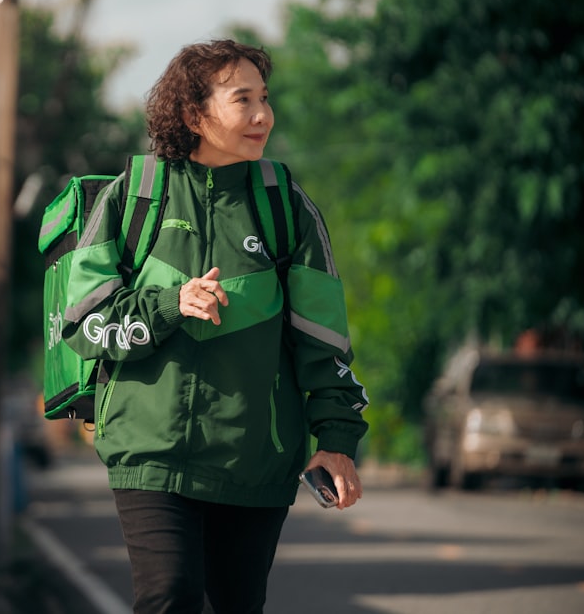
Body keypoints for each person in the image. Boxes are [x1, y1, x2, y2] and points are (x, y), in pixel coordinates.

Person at [61, 39, 370, 613]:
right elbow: (84, 325)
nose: (262, 116)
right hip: (148, 451)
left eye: (265, 98)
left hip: (255, 461)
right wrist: (168, 303)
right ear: (193, 115)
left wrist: (337, 441)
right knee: (169, 595)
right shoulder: (133, 197)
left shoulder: (286, 207)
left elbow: (322, 342)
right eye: (242, 99)